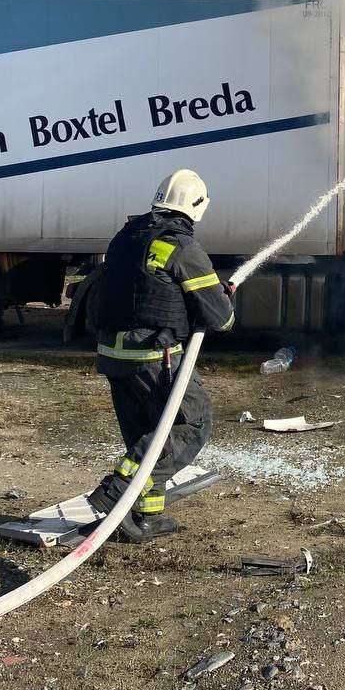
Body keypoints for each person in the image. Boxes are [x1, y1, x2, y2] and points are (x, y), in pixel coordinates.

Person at [89, 169, 235, 543]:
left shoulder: (126, 237)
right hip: (153, 355)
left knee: (146, 433)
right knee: (191, 424)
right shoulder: (181, 247)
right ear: (197, 206)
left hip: (113, 353)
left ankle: (145, 516)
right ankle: (118, 490)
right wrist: (224, 297)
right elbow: (220, 319)